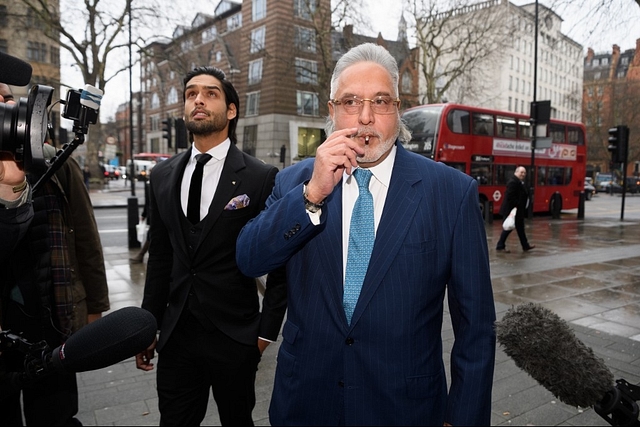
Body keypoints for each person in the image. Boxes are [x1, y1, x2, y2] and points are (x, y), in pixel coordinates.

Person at [236, 43, 495, 426]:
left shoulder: (451, 193)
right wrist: (312, 196)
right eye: (351, 102)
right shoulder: (294, 182)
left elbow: (475, 328)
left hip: (405, 408)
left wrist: (464, 418)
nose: (366, 117)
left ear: (398, 108)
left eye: (381, 102)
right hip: (306, 405)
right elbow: (250, 259)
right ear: (332, 111)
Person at [135, 66, 287, 426]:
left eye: (210, 93)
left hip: (235, 336)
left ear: (231, 110)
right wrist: (148, 326)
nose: (198, 99)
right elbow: (160, 256)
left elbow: (281, 264)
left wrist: (265, 333)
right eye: (190, 94)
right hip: (175, 338)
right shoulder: (161, 175)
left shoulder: (260, 176)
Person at [0, 81, 110, 425]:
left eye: (6, 98)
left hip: (52, 320)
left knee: (55, 415)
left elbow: (87, 241)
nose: (5, 105)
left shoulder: (57, 164)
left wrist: (94, 309)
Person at [496, 165, 535, 253]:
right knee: (508, 228)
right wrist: (518, 205)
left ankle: (525, 245)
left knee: (520, 229)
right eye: (521, 172)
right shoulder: (513, 182)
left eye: (524, 173)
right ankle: (500, 246)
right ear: (516, 172)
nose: (523, 174)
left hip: (517, 210)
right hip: (511, 210)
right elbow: (510, 196)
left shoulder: (520, 182)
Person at [130, 176, 150, 263]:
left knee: (152, 234)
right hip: (153, 213)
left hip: (160, 213)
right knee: (152, 234)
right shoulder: (149, 184)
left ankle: (141, 254)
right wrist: (144, 214)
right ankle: (141, 254)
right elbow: (148, 200)